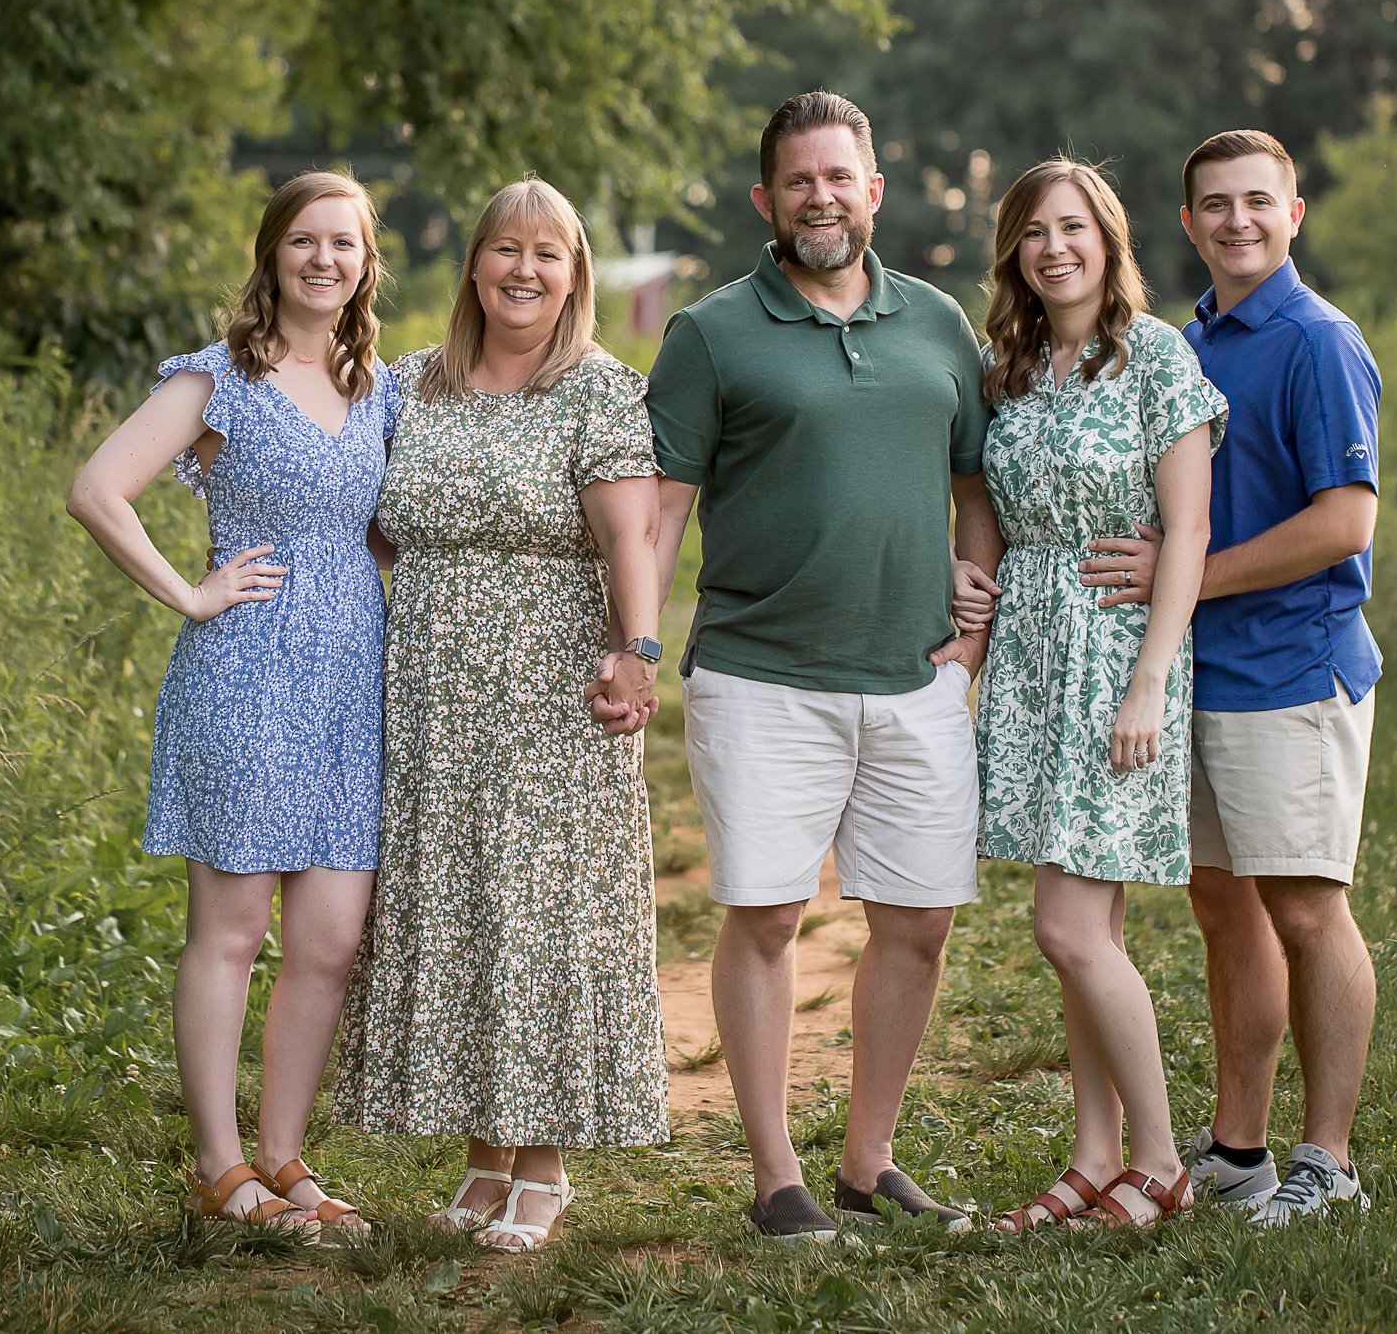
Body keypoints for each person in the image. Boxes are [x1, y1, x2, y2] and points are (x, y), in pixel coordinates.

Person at [627, 90, 993, 1241]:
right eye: (799, 181)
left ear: (874, 190)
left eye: (840, 177)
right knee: (770, 915)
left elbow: (977, 488)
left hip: (912, 675)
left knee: (920, 918)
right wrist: (636, 643)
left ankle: (867, 1159)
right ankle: (777, 1173)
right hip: (759, 670)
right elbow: (662, 506)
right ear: (765, 200)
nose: (820, 197)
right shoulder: (710, 331)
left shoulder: (939, 324)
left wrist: (970, 629)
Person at [333, 177, 665, 1254]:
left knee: (538, 913)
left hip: (551, 685)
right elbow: (365, 518)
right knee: (461, 904)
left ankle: (546, 1162)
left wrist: (637, 648)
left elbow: (630, 542)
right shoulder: (408, 384)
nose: (524, 270)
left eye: (549, 255)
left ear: (572, 276)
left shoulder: (599, 389)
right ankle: (484, 1153)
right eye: (505, 249)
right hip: (428, 688)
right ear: (474, 262)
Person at [66, 170, 391, 1236]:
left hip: (351, 681)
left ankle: (286, 1153)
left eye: (342, 243)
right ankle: (219, 1164)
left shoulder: (377, 383)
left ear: (364, 261)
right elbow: (97, 487)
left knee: (332, 937)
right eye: (303, 240)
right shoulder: (220, 379)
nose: (323, 259)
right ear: (272, 254)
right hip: (246, 668)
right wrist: (189, 591)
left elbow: (382, 529)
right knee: (234, 928)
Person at [1067, 129, 1383, 1225]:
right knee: (1223, 906)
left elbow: (1344, 519)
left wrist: (1186, 577)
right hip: (1206, 669)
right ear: (1189, 222)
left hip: (1292, 664)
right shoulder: (1188, 338)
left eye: (1258, 201)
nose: (1237, 220)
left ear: (1293, 213)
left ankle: (1328, 1162)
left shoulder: (1315, 339)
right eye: (1214, 203)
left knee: (1305, 906)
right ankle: (1240, 1147)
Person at [954, 159, 1226, 1232]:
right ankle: (1093, 1154)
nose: (1053, 246)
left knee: (1068, 928)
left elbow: (1189, 532)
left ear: (1109, 241)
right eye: (1033, 231)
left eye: (1073, 227)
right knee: (1088, 925)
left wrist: (1149, 678)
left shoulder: (1157, 357)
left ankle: (1160, 1161)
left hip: (1118, 655)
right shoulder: (1007, 365)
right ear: (1014, 251)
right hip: (1029, 655)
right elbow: (982, 508)